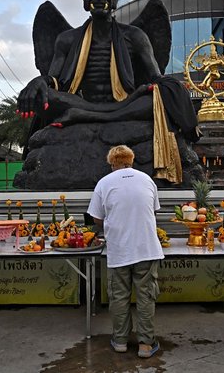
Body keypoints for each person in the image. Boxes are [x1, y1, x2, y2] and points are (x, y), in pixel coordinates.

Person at [17, 0, 200, 184]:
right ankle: (93, 113)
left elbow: (155, 77)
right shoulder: (66, 39)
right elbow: (53, 81)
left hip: (122, 102)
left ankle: (81, 116)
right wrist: (39, 82)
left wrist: (172, 89)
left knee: (162, 94)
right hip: (88, 103)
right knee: (46, 97)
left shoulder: (135, 36)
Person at [87, 145, 164, 358]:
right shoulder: (147, 179)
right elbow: (153, 209)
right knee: (146, 296)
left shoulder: (104, 183)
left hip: (119, 250)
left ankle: (120, 341)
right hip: (147, 249)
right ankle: (146, 345)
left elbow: (95, 218)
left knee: (119, 297)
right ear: (131, 160)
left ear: (112, 163)